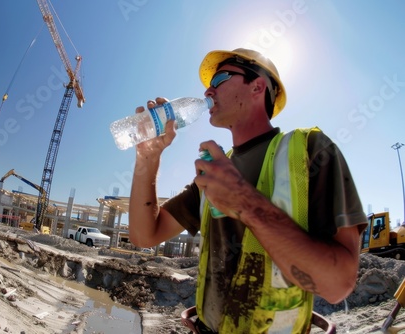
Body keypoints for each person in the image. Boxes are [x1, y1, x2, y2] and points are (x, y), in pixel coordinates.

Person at [128, 48, 367, 333]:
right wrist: (147, 158)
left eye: (219, 79)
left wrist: (247, 203)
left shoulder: (311, 151)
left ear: (257, 86)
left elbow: (338, 284)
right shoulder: (213, 173)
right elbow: (145, 235)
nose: (208, 90)